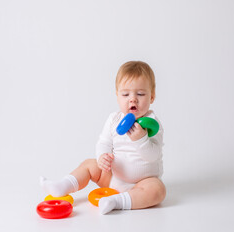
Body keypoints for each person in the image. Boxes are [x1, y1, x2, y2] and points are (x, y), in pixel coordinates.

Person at [40, 61, 166, 214]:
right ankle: (63, 186)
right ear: (117, 96)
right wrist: (102, 157)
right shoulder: (114, 119)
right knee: (89, 164)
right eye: (125, 94)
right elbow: (104, 143)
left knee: (158, 190)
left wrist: (141, 139)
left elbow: (154, 155)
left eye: (140, 94)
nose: (132, 99)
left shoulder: (152, 123)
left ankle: (116, 201)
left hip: (142, 183)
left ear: (152, 97)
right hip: (114, 179)